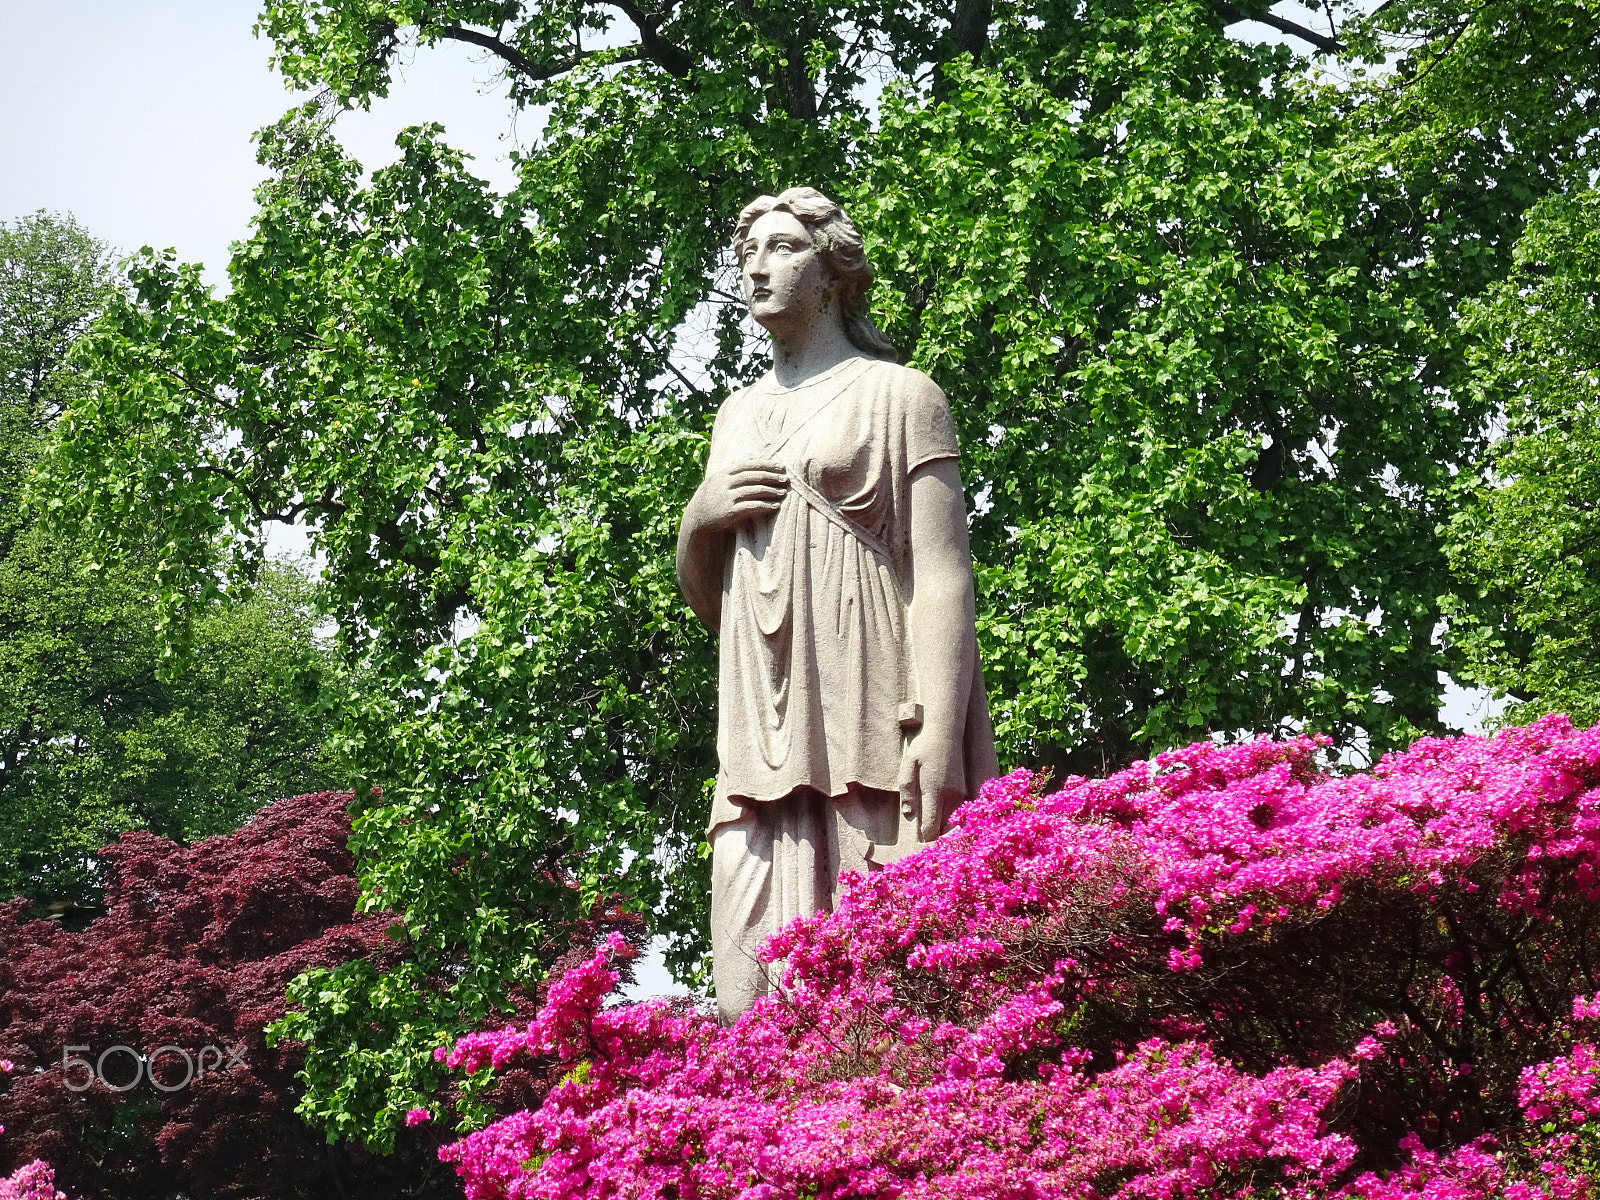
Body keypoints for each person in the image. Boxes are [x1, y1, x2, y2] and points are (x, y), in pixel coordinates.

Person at [676, 187, 997, 1021]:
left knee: (882, 962)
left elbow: (943, 572)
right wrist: (697, 521)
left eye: (781, 248)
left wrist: (940, 724)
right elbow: (716, 607)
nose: (757, 265)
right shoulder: (736, 414)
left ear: (831, 272)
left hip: (868, 696)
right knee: (745, 962)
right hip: (760, 716)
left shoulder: (900, 394)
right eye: (750, 252)